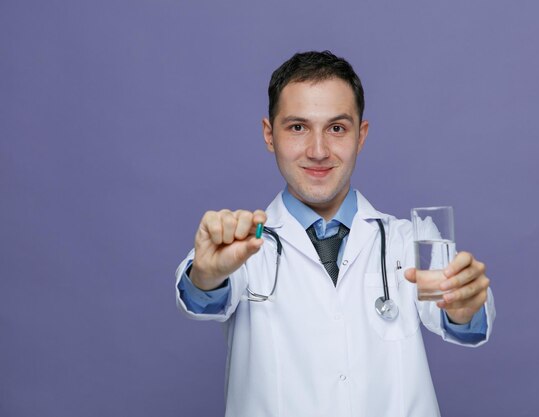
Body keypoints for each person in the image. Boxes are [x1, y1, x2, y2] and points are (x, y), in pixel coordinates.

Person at [175, 50, 495, 417]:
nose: (318, 151)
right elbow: (201, 294)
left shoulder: (410, 240)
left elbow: (462, 321)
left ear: (361, 135)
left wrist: (465, 308)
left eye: (337, 128)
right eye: (298, 127)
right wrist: (207, 276)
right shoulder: (240, 243)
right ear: (269, 135)